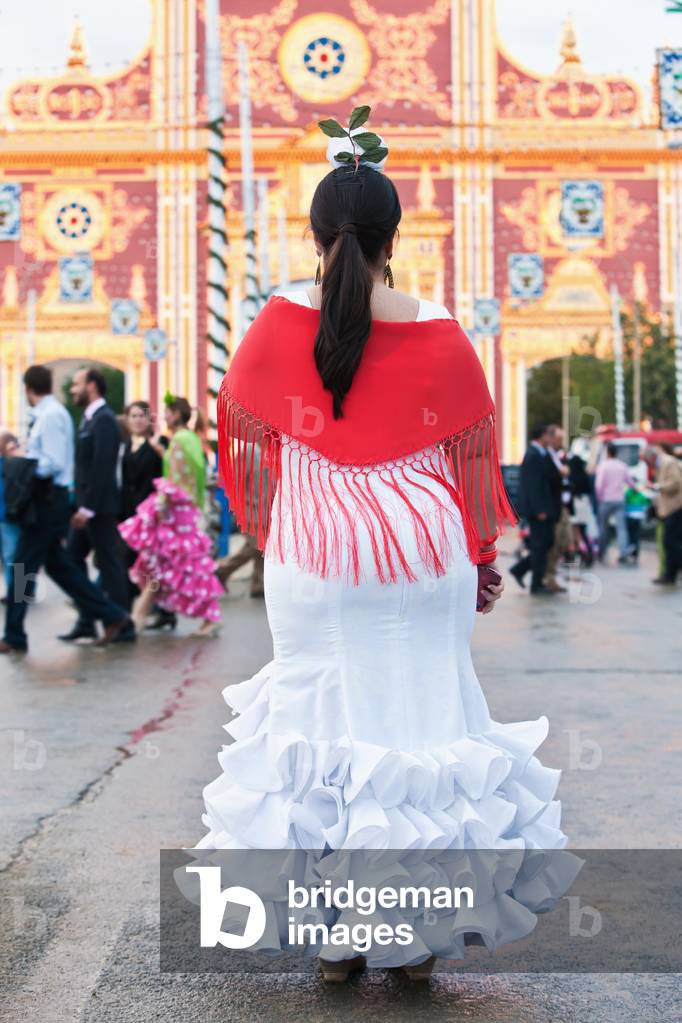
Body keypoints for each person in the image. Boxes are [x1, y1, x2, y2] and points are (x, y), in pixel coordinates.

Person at [197, 122, 573, 981]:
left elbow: (242, 440)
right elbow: (473, 458)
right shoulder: (438, 328)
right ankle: (415, 942)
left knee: (317, 727)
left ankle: (336, 943)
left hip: (314, 548)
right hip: (420, 547)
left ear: (316, 237)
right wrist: (479, 555)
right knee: (424, 723)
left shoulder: (276, 321)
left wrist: (283, 514)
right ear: (393, 240)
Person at [1, 366, 132, 654]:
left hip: (47, 500)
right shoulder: (52, 415)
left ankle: (13, 633)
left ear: (27, 388)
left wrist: (22, 460)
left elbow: (54, 462)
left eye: (76, 384)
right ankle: (112, 615)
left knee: (23, 566)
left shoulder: (51, 416)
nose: (73, 389)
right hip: (49, 500)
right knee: (62, 568)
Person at [119, 395, 222, 636]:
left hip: (176, 512)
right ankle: (140, 615)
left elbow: (176, 477)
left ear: (175, 414)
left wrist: (162, 505)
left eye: (166, 412)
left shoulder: (179, 439)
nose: (163, 417)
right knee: (173, 565)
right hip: (186, 510)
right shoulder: (191, 438)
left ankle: (140, 616)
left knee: (175, 564)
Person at [58, 367, 134, 643]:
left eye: (76, 384)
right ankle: (87, 620)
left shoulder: (103, 420)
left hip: (97, 508)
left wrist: (87, 508)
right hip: (86, 506)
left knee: (110, 565)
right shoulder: (89, 419)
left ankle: (123, 624)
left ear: (91, 386)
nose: (72, 390)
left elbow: (102, 467)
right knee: (72, 560)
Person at [119, 401, 163, 606]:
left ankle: (159, 608)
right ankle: (128, 603)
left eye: (141, 416)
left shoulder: (158, 443)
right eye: (133, 416)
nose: (137, 420)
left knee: (150, 561)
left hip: (150, 511)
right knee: (128, 558)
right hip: (128, 511)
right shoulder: (125, 446)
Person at [509, 424, 556, 594]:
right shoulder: (532, 455)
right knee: (539, 545)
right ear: (542, 436)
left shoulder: (541, 453)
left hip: (543, 507)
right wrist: (539, 509)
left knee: (546, 542)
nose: (550, 439)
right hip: (538, 509)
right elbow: (532, 485)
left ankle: (519, 569)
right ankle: (536, 584)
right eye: (548, 435)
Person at [645, 444, 682, 585]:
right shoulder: (662, 464)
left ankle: (672, 572)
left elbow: (675, 483)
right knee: (669, 542)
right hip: (668, 508)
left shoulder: (668, 462)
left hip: (675, 507)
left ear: (652, 457)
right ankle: (669, 575)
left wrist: (657, 486)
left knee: (670, 541)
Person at [543, 424, 572, 592]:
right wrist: (560, 474)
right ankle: (549, 577)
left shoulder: (559, 457)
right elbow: (545, 479)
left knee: (565, 540)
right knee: (555, 542)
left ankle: (551, 575)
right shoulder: (546, 456)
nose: (562, 442)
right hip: (554, 507)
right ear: (551, 438)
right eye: (559, 439)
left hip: (563, 505)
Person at [594, 444, 631, 565]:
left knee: (603, 527)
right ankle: (623, 552)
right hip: (619, 500)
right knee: (621, 528)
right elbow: (630, 482)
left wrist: (599, 498)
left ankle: (601, 551)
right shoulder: (622, 465)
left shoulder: (603, 466)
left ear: (607, 452)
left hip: (605, 500)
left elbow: (599, 485)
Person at [0, 431, 20, 600]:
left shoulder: (18, 465)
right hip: (8, 516)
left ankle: (19, 592)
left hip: (14, 516)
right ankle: (18, 592)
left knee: (14, 555)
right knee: (12, 556)